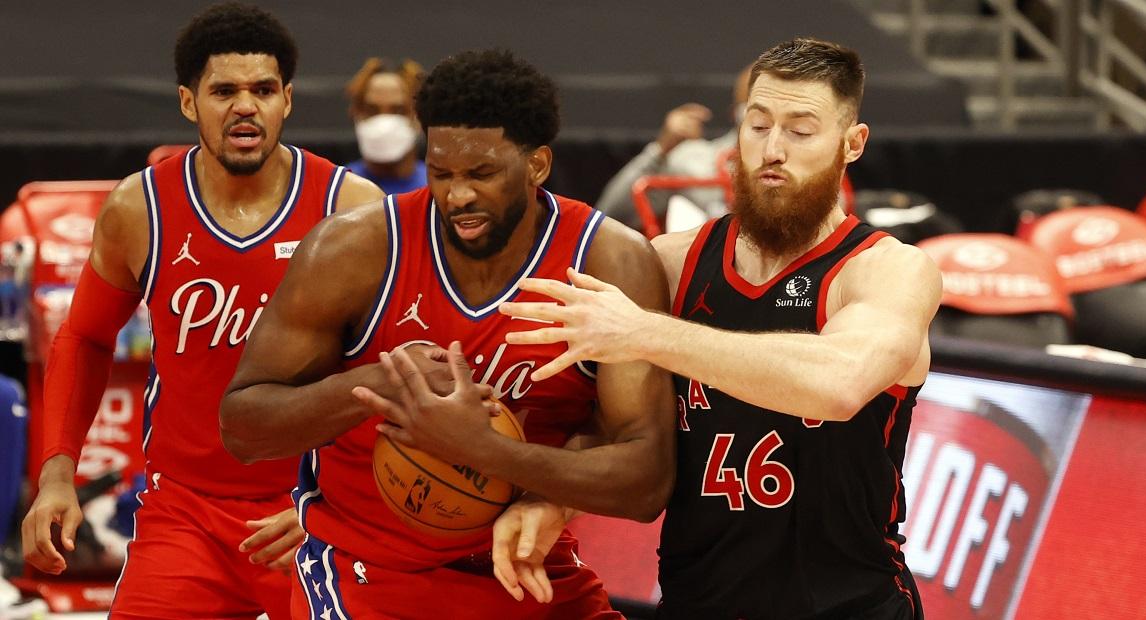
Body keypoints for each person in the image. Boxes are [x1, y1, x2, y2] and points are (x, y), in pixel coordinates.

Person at [219, 48, 675, 618]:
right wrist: (380, 385)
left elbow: (646, 478)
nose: (458, 196)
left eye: (481, 174)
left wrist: (484, 453)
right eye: (442, 174)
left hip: (525, 566)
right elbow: (243, 426)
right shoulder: (353, 249)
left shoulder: (608, 261)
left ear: (536, 165)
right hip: (369, 573)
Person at [501, 37, 940, 619]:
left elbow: (839, 383)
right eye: (756, 126)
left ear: (851, 143)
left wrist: (647, 332)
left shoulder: (887, 270)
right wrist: (552, 498)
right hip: (696, 601)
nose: (772, 149)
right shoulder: (672, 261)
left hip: (850, 606)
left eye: (800, 130)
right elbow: (617, 424)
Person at [19, 3, 383, 618]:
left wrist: (345, 504)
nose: (246, 105)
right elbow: (83, 338)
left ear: (287, 101)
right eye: (225, 91)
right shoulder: (140, 208)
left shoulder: (350, 209)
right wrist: (58, 470)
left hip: (308, 511)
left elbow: (390, 370)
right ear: (189, 102)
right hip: (184, 510)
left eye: (263, 89)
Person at [594, 65, 751, 230]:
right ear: (734, 112)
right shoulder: (694, 160)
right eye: (752, 105)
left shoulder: (779, 163)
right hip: (706, 253)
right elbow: (612, 216)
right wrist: (660, 150)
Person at [346, 57, 428, 195]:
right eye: (372, 110)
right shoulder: (337, 188)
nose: (384, 121)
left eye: (398, 110)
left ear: (419, 116)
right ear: (356, 113)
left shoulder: (436, 190)